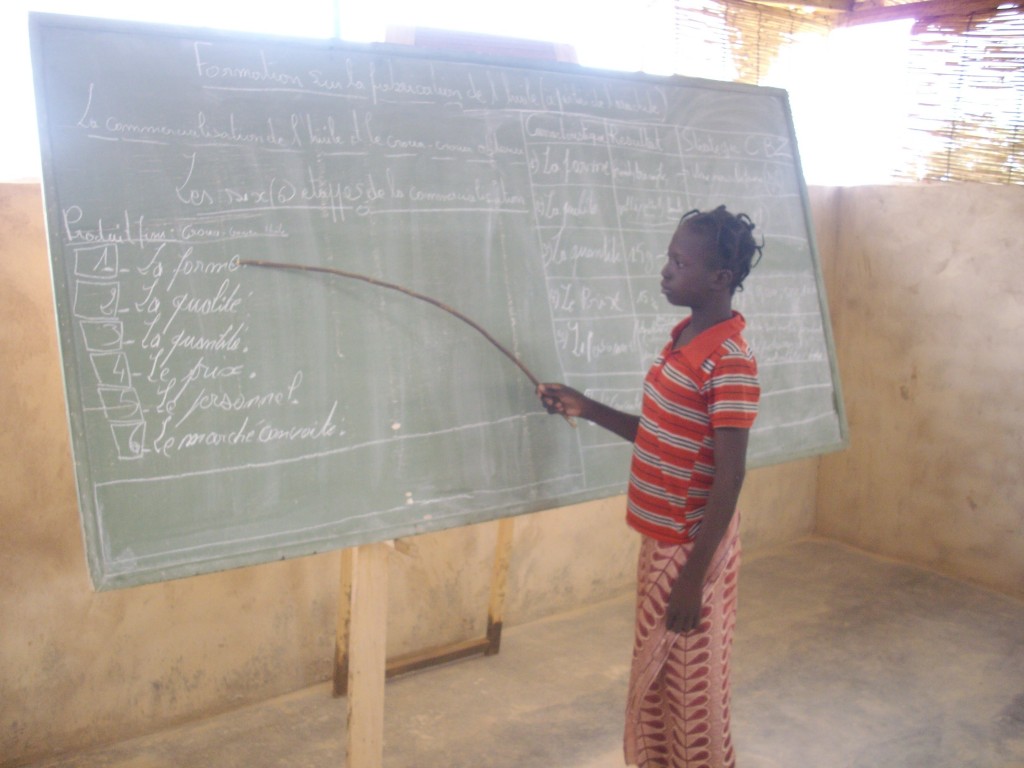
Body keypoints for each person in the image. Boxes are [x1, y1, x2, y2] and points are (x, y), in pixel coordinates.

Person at [538, 205, 763, 768]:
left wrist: (691, 580)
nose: (665, 271)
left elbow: (731, 475)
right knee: (661, 686)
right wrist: (585, 407)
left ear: (719, 278)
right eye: (669, 258)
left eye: (679, 263)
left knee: (693, 694)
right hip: (664, 542)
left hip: (693, 550)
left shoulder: (729, 361)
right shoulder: (683, 341)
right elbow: (659, 433)